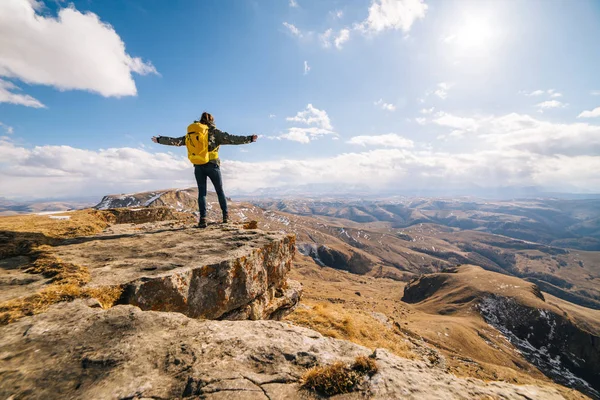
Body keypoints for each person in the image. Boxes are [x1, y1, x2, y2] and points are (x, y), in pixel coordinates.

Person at [152, 112, 257, 228]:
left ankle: (203, 219)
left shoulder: (193, 133)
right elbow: (233, 139)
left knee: (202, 193)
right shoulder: (215, 132)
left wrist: (160, 140)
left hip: (198, 165)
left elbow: (176, 141)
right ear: (212, 120)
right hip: (213, 165)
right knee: (219, 191)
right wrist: (250, 139)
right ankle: (225, 217)